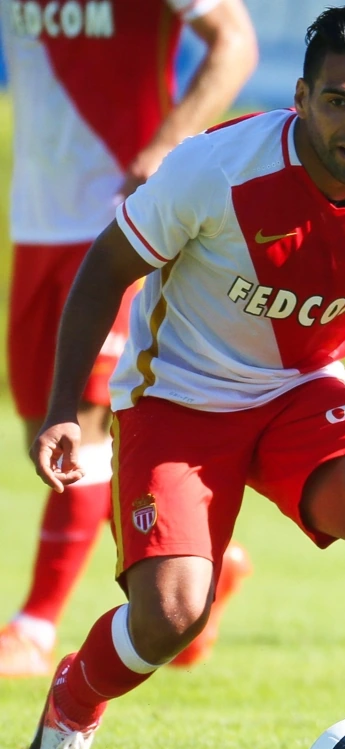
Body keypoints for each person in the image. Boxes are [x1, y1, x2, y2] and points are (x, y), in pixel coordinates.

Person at [25, 3, 345, 749]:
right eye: (339, 100)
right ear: (300, 98)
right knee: (169, 617)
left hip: (302, 394)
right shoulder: (217, 168)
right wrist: (66, 405)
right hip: (178, 401)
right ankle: (71, 699)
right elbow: (105, 267)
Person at [0, 0, 257, 677]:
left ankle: (33, 625)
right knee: (46, 428)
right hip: (35, 221)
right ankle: (200, 570)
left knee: (85, 424)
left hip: (124, 223)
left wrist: (169, 143)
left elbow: (235, 42)